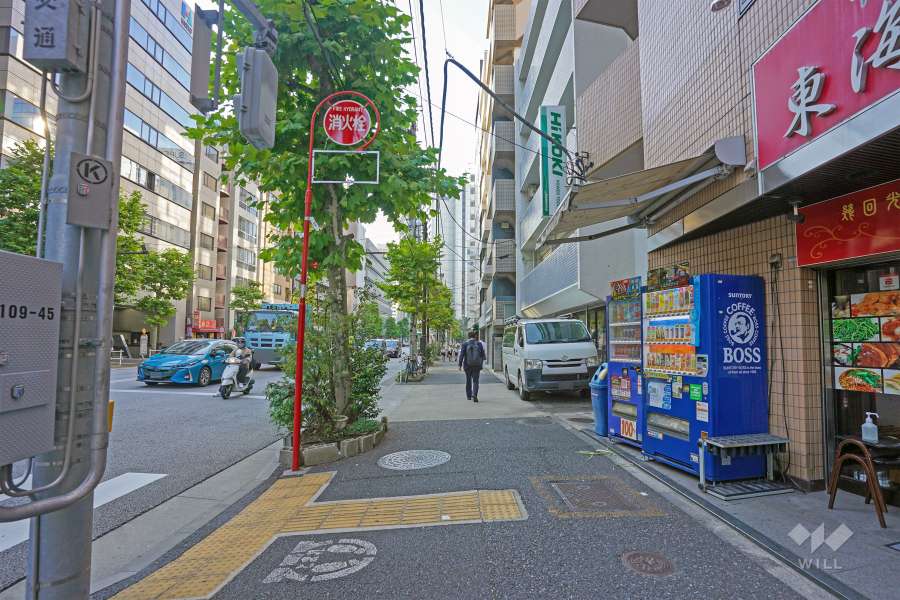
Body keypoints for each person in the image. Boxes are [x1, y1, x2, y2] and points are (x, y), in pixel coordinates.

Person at [458, 331, 486, 402]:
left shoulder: (465, 344)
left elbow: (462, 355)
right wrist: (481, 363)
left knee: (468, 380)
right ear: (475, 336)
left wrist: (460, 365)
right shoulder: (479, 344)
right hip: (477, 366)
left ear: (468, 336)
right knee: (476, 381)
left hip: (467, 365)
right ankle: (475, 394)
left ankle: (469, 396)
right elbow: (483, 355)